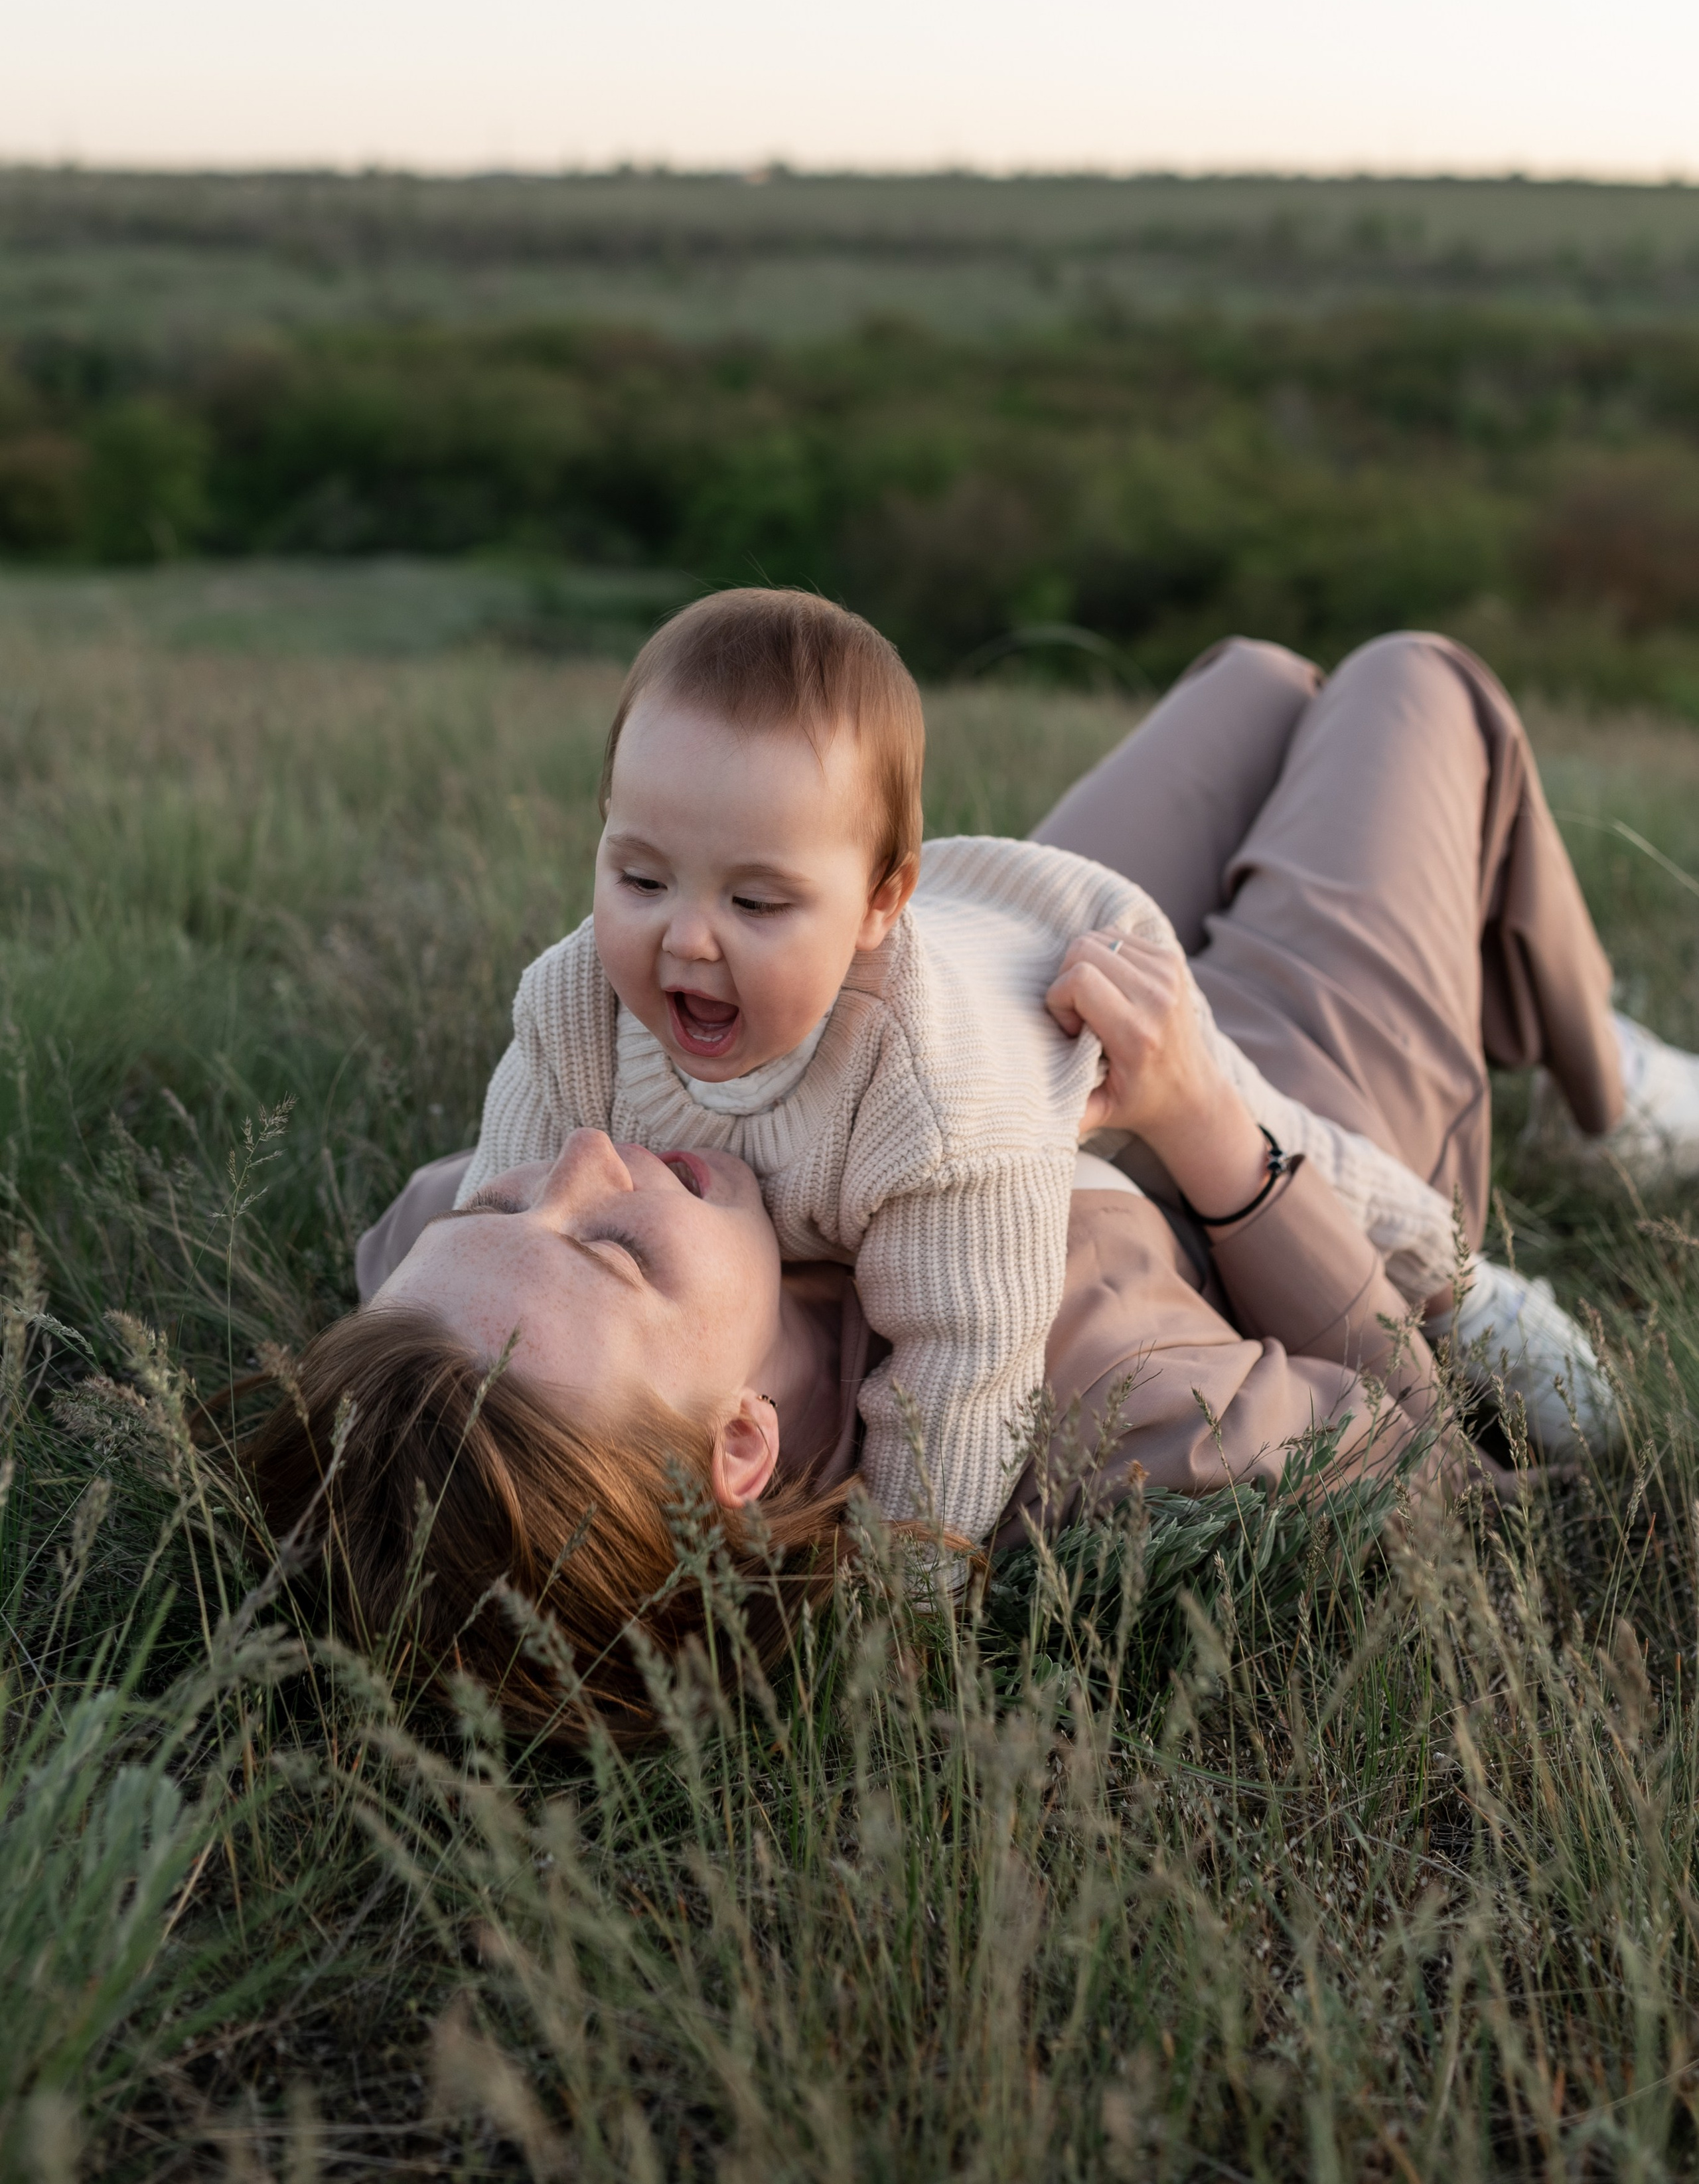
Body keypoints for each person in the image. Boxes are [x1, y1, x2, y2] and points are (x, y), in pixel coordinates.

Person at [247, 627, 1699, 1743]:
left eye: (502, 1208)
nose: (583, 1160)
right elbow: (1438, 1472)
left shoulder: (460, 1330)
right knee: (1412, 678)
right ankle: (1611, 1093)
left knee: (1254, 680)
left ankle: (1513, 985)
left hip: (969, 996)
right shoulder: (1099, 1414)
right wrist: (1207, 1125)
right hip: (1255, 1101)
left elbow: (423, 1371)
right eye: (613, 1247)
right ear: (739, 1448)